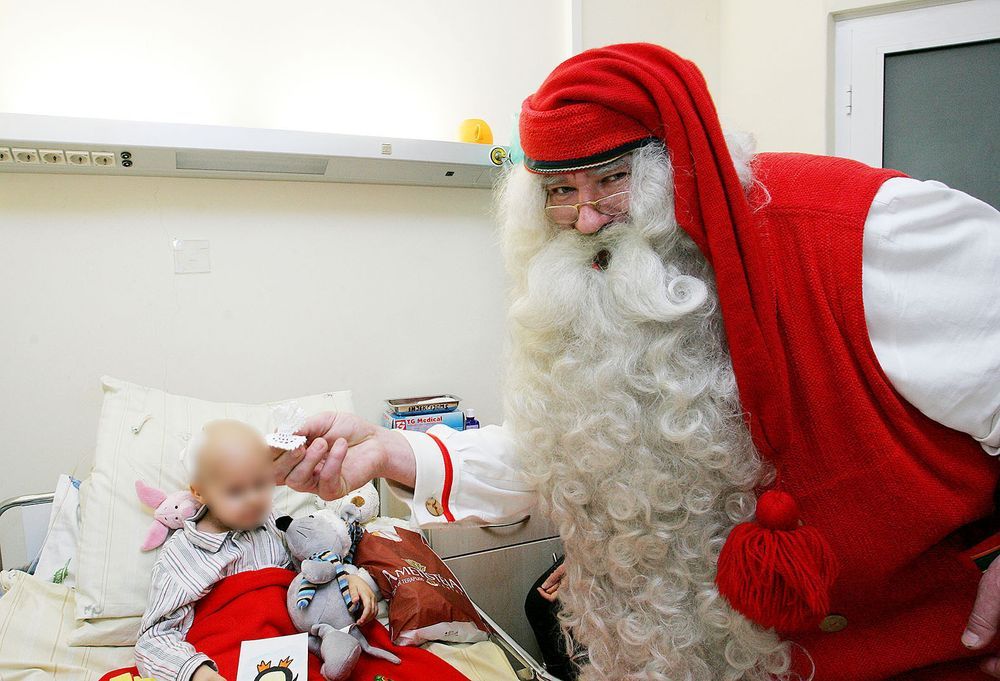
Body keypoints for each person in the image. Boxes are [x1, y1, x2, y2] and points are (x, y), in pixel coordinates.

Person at [273, 43, 1000, 681]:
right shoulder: (602, 281)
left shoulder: (863, 233)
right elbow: (588, 448)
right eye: (562, 191)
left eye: (610, 179)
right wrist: (391, 450)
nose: (587, 218)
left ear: (675, 165)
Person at [137, 420, 379, 681]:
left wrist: (347, 579)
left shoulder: (276, 523)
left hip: (292, 652)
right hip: (225, 660)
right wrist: (198, 673)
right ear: (200, 491)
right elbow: (154, 638)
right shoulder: (182, 554)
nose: (254, 499)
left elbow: (314, 564)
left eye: (261, 484)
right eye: (235, 491)